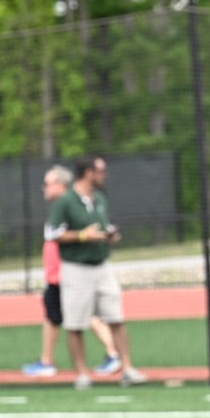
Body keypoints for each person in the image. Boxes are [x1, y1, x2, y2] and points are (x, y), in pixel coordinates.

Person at [45, 156, 147, 390]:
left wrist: (108, 235)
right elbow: (52, 233)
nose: (104, 175)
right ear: (88, 172)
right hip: (76, 269)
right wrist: (82, 235)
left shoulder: (99, 199)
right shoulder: (66, 201)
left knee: (116, 317)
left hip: (101, 266)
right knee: (75, 323)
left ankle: (127, 369)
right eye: (100, 171)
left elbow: (101, 226)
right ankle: (82, 374)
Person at [22, 165, 121, 378]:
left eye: (48, 183)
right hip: (58, 273)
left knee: (81, 316)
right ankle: (47, 360)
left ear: (61, 184)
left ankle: (113, 354)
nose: (44, 188)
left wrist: (84, 238)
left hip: (67, 272)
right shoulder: (65, 205)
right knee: (58, 316)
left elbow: (64, 235)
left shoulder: (71, 203)